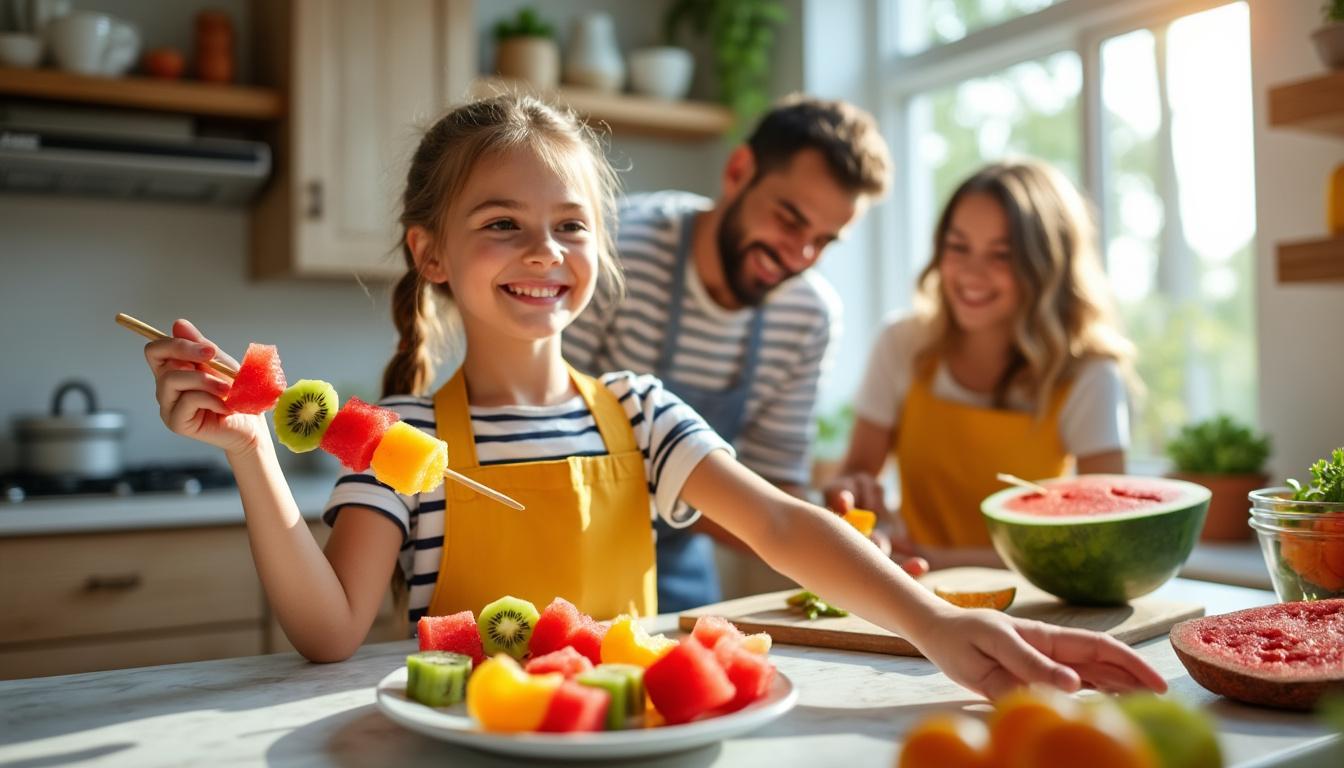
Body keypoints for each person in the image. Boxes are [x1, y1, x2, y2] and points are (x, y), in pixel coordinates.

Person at [142, 96, 1163, 700]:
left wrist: (939, 629)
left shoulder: (638, 408)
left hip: (632, 736)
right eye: (502, 223)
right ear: (433, 253)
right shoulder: (402, 437)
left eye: (571, 227)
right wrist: (251, 451)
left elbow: (781, 524)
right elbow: (328, 630)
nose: (545, 252)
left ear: (600, 245)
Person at [563, 95, 892, 611]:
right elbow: (544, 425)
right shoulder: (617, 247)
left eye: (823, 241)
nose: (799, 256)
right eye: (789, 220)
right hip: (564, 537)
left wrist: (839, 543)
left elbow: (772, 479)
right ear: (739, 171)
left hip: (676, 560)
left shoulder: (808, 316)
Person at [826, 160, 1138, 569]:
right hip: (914, 594)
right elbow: (856, 473)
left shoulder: (1090, 374)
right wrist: (850, 491)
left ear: (1048, 267)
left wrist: (940, 561)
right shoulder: (902, 343)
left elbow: (1106, 536)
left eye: (1001, 255)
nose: (972, 273)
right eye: (958, 247)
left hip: (1035, 603)